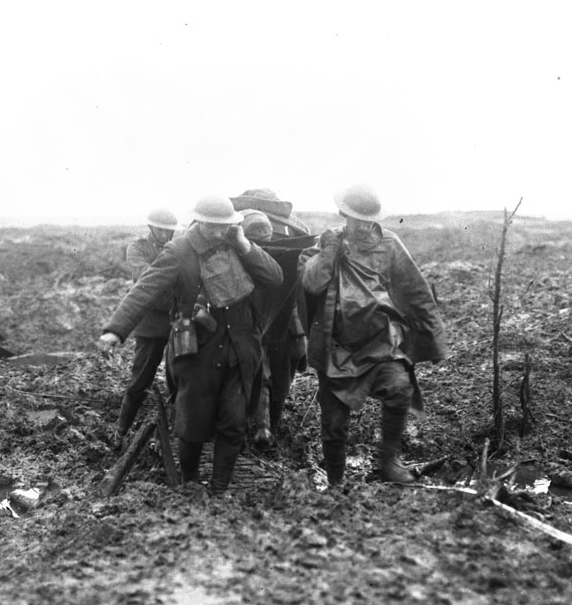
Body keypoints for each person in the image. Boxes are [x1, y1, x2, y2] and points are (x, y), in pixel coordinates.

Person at [98, 195, 283, 494]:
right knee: (192, 424)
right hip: (198, 350)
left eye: (225, 226)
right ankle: (190, 484)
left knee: (234, 423)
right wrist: (116, 331)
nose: (219, 232)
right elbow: (145, 289)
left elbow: (275, 278)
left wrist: (245, 245)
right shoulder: (180, 250)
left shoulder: (239, 244)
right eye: (214, 226)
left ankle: (219, 490)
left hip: (239, 348)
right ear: (201, 222)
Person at [299, 183, 448, 485]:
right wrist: (329, 253)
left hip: (382, 343)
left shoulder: (390, 244)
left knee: (399, 388)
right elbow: (311, 283)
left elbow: (415, 290)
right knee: (334, 424)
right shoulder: (326, 243)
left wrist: (434, 340)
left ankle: (389, 461)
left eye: (369, 219)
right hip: (337, 348)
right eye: (357, 219)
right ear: (344, 215)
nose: (364, 226)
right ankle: (336, 483)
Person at [230, 191, 312, 448]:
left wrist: (298, 329)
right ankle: (257, 426)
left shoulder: (293, 239)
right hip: (251, 318)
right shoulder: (292, 233)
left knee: (273, 376)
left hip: (279, 321)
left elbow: (299, 289)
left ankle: (263, 426)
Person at [112, 207, 180, 446]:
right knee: (140, 381)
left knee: (180, 380)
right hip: (151, 324)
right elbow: (147, 279)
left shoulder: (178, 247)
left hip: (177, 322)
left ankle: (175, 435)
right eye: (160, 229)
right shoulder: (137, 248)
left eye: (168, 230)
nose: (164, 233)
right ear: (151, 228)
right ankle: (120, 432)